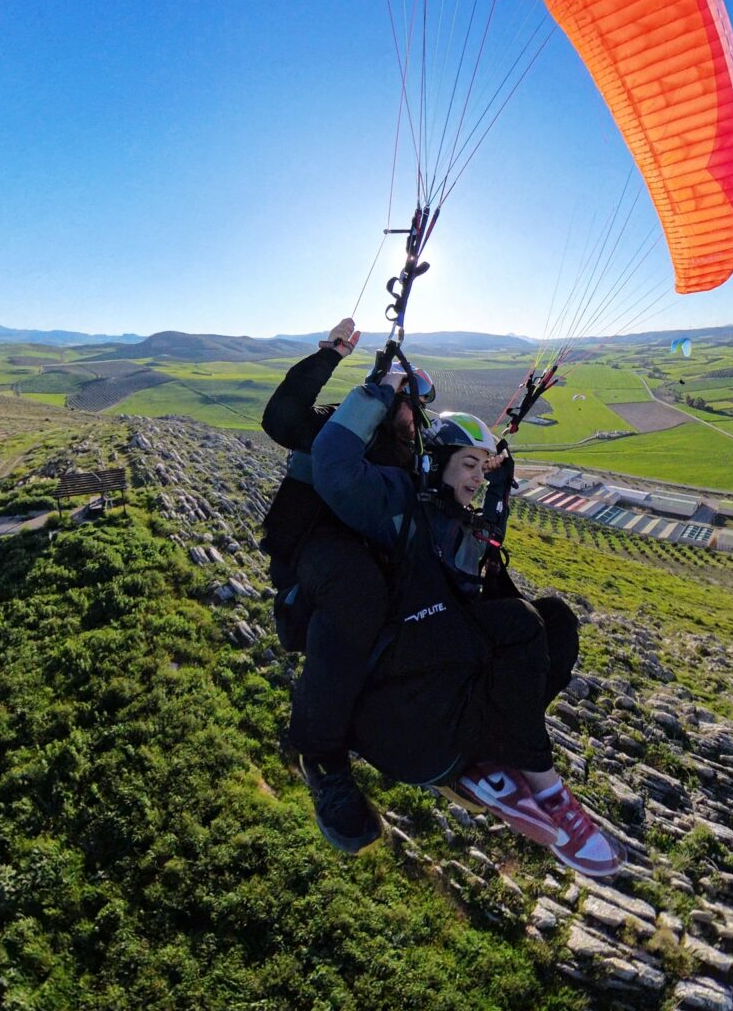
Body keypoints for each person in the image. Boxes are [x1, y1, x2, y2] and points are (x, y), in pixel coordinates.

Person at [309, 382, 623, 878]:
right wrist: (377, 391)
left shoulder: (461, 519)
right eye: (468, 466)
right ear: (437, 463)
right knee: (519, 626)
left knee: (556, 623)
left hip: (448, 666)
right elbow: (334, 470)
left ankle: (490, 754)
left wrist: (499, 478)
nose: (477, 477)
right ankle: (547, 789)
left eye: (482, 467)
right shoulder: (402, 505)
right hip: (409, 684)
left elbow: (490, 529)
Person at [256, 318, 423, 854]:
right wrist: (328, 356)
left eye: (416, 403)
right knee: (356, 589)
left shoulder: (410, 455)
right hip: (311, 548)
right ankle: (320, 755)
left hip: (372, 557)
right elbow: (281, 418)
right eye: (405, 396)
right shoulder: (334, 427)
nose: (410, 410)